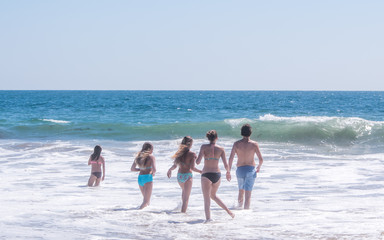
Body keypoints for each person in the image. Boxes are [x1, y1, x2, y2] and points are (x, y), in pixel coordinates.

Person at [196, 130, 234, 222]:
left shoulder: (203, 147)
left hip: (206, 174)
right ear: (217, 138)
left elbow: (197, 162)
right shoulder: (221, 149)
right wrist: (228, 172)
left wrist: (196, 157)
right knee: (213, 196)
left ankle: (208, 219)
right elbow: (226, 165)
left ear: (208, 138)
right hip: (217, 175)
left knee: (206, 198)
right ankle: (229, 212)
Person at [227, 124, 264, 209]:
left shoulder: (236, 144)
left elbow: (231, 158)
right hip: (250, 170)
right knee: (248, 195)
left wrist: (228, 171)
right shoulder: (254, 144)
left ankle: (239, 210)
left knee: (241, 191)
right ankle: (246, 214)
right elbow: (261, 159)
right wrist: (259, 167)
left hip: (240, 170)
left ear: (241, 133)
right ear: (250, 133)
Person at [167, 136, 202, 213]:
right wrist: (200, 171)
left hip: (179, 176)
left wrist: (170, 170)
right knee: (186, 199)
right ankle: (182, 216)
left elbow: (175, 165)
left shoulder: (179, 153)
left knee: (184, 194)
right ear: (190, 144)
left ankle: (182, 211)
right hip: (187, 176)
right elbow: (192, 168)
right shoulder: (192, 154)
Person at [131, 142, 156, 209]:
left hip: (140, 179)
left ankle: (145, 216)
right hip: (147, 178)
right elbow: (154, 169)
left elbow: (132, 169)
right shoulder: (151, 157)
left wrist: (141, 169)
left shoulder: (138, 157)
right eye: (152, 149)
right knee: (146, 201)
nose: (152, 151)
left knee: (146, 201)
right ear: (149, 149)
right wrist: (152, 172)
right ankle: (137, 213)